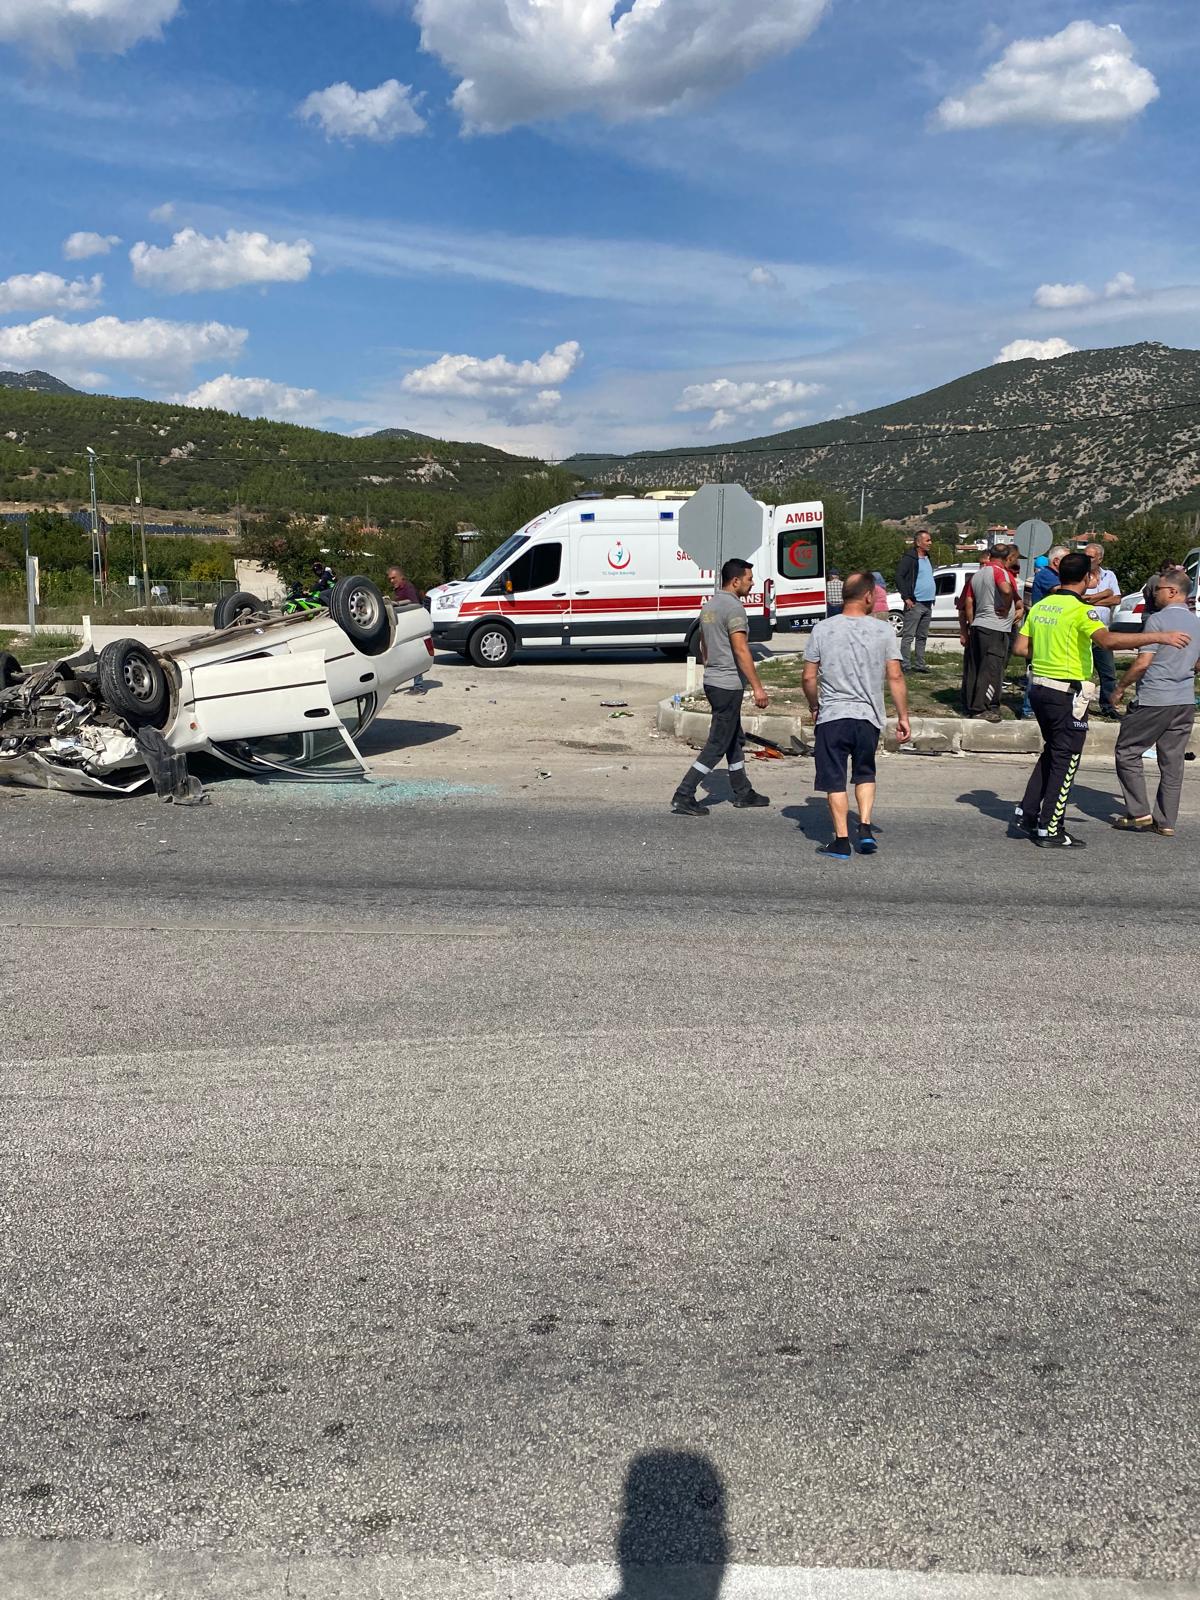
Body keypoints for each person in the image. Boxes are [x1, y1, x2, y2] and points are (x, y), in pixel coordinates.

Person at [1010, 551, 1191, 848]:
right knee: (1066, 760)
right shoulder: (1081, 611)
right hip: (1066, 692)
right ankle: (1050, 828)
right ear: (1087, 579)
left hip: (1039, 687)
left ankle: (1028, 813)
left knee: (1052, 751)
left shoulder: (1043, 605)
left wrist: (1049, 650)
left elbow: (1019, 647)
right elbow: (1108, 641)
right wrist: (1159, 638)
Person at [802, 570, 911, 861]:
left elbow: (809, 678)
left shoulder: (822, 629)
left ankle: (840, 841)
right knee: (865, 772)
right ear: (867, 597)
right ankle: (864, 827)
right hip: (868, 717)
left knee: (834, 779)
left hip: (833, 717)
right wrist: (903, 716)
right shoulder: (884, 631)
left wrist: (815, 706)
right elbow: (896, 676)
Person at [671, 558, 770, 817]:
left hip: (714, 680)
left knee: (733, 739)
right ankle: (684, 794)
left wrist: (712, 667)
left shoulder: (710, 606)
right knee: (717, 743)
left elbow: (703, 645)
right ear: (735, 581)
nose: (752, 583)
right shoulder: (735, 609)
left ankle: (743, 791)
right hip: (728, 684)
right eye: (749, 579)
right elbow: (740, 649)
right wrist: (758, 687)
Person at [1111, 567, 1200, 837]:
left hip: (1154, 698)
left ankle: (1139, 812)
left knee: (1127, 751)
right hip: (1184, 699)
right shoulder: (1197, 623)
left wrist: (1120, 687)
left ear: (1173, 592)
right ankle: (1166, 821)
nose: (1152, 592)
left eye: (1157, 589)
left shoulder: (1159, 620)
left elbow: (1142, 662)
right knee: (1172, 761)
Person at [959, 543, 1019, 722]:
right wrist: (1007, 605)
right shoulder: (999, 572)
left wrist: (971, 623)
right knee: (991, 669)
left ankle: (971, 705)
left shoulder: (978, 574)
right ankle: (983, 708)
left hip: (979, 625)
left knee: (975, 668)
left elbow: (969, 601)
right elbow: (1006, 590)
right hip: (995, 627)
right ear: (1007, 557)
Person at [1020, 547, 1068, 719]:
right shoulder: (1047, 575)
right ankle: (1028, 709)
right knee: (1037, 669)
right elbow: (1064, 593)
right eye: (1066, 560)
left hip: (1049, 627)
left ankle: (1039, 707)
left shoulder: (1053, 576)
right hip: (1042, 627)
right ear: (1056, 561)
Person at [1083, 542, 1123, 717]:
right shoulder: (1080, 575)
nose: (1087, 560)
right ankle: (1078, 705)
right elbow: (1080, 599)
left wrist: (1093, 600)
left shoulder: (1109, 575)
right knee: (1082, 670)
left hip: (1103, 630)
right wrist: (1104, 594)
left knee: (1108, 671)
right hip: (1083, 630)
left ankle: (1108, 706)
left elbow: (1116, 599)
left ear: (1100, 558)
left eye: (1091, 557)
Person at [895, 529, 935, 673]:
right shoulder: (910, 558)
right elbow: (899, 576)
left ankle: (920, 664)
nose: (930, 543)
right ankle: (905, 665)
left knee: (922, 636)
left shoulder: (928, 557)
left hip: (928, 603)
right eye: (927, 540)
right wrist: (906, 597)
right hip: (915, 602)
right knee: (908, 636)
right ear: (918, 543)